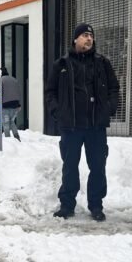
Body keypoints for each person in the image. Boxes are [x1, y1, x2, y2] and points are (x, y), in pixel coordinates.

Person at [45, 23, 120, 222]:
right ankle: (67, 205)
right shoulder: (61, 64)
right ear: (76, 39)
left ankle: (96, 205)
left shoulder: (102, 63)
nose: (89, 39)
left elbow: (114, 88)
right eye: (85, 35)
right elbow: (50, 92)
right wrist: (57, 111)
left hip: (96, 126)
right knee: (70, 166)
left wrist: (110, 108)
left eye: (91, 36)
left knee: (97, 167)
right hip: (71, 126)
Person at [0, 67, 22, 141]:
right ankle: (17, 137)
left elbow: (0, 93)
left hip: (5, 104)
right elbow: (18, 91)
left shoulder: (1, 80)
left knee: (6, 123)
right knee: (11, 121)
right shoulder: (14, 79)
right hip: (15, 104)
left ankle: (8, 140)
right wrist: (19, 104)